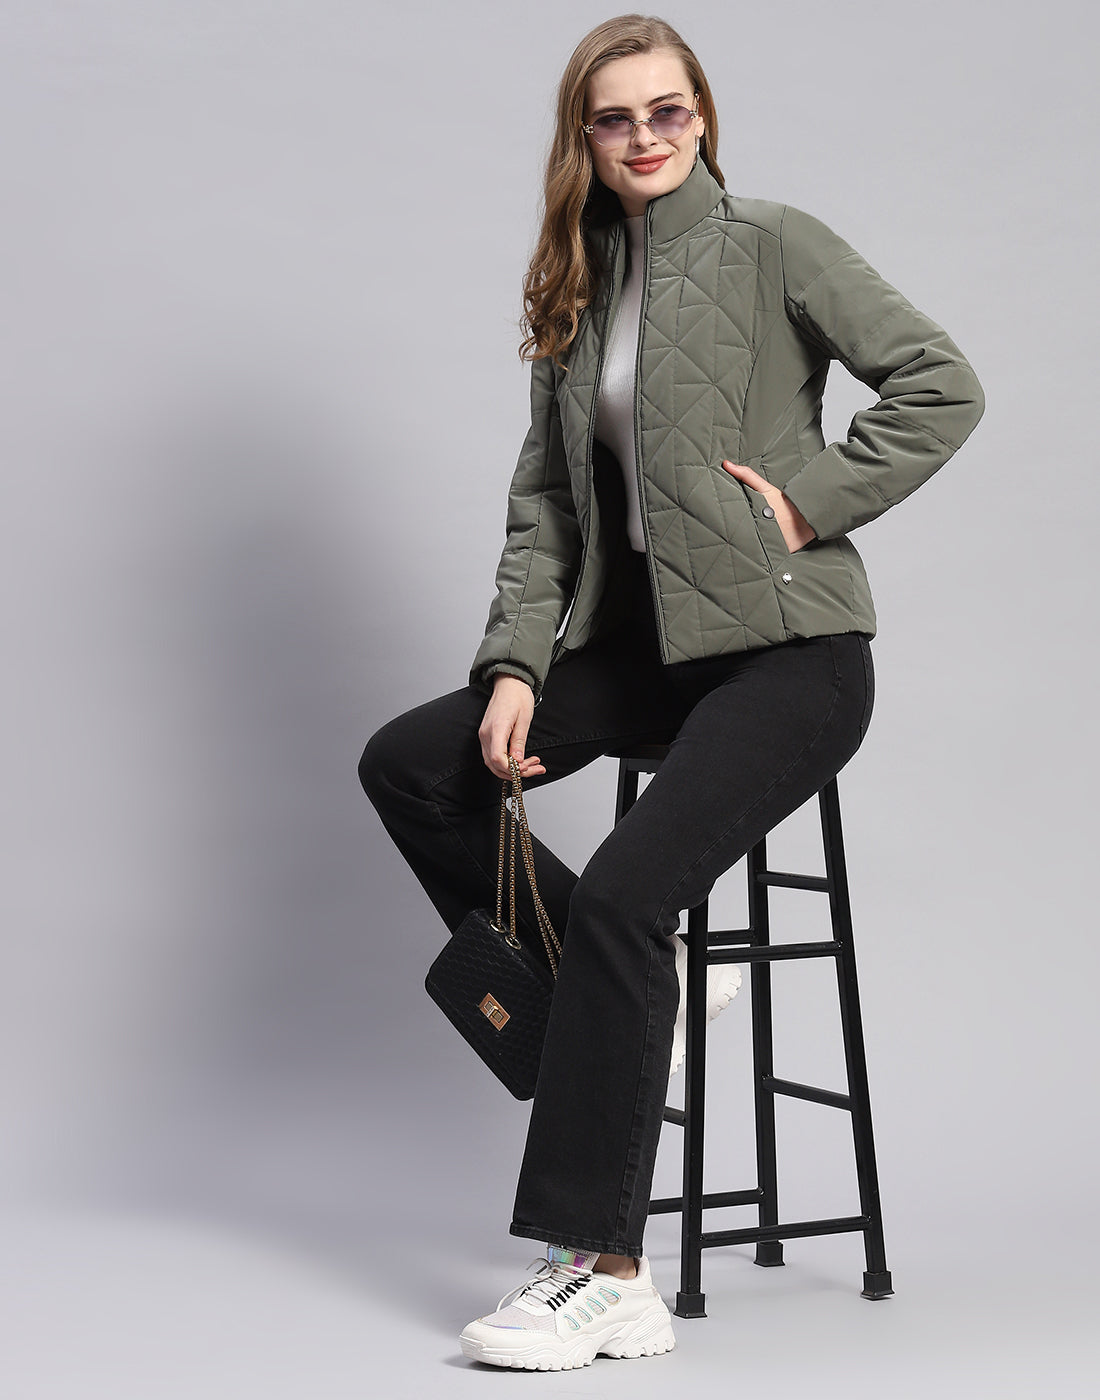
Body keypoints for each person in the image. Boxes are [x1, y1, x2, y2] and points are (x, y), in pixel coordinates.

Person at [359, 12, 984, 1372]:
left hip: (791, 654)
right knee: (411, 763)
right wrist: (517, 664)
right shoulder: (576, 287)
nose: (645, 136)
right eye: (615, 117)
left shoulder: (773, 242)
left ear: (702, 117)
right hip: (642, 654)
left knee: (633, 896)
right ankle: (635, 989)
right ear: (581, 140)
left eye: (668, 110)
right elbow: (545, 506)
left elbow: (941, 384)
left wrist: (810, 503)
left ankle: (604, 1273)